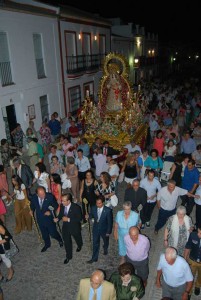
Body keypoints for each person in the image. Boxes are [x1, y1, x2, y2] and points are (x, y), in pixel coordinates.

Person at [30, 186, 63, 252]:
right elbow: (32, 205)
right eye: (41, 195)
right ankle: (47, 244)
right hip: (40, 218)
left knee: (53, 233)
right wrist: (32, 210)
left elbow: (55, 206)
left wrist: (50, 212)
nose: (43, 196)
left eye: (44, 193)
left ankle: (60, 239)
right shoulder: (34, 197)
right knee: (44, 233)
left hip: (49, 219)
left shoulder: (50, 197)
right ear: (37, 194)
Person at [54, 193, 83, 264]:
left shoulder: (76, 207)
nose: (62, 202)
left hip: (74, 227)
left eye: (64, 201)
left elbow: (80, 218)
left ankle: (79, 245)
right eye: (62, 200)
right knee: (67, 242)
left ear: (69, 201)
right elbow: (61, 214)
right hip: (66, 227)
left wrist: (69, 219)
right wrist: (58, 218)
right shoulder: (62, 205)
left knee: (77, 238)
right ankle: (68, 256)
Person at [86, 195, 113, 263]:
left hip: (104, 229)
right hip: (95, 228)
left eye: (99, 203)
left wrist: (108, 231)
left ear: (103, 203)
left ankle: (105, 248)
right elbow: (92, 215)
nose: (98, 205)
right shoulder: (93, 208)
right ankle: (94, 258)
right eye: (97, 203)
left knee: (105, 240)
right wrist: (88, 216)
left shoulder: (108, 210)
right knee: (95, 243)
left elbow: (110, 222)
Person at [184, 226, 201, 297]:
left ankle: (198, 285)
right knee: (190, 276)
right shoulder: (193, 235)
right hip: (192, 260)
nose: (198, 234)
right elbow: (188, 247)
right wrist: (185, 259)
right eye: (199, 232)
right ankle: (189, 291)